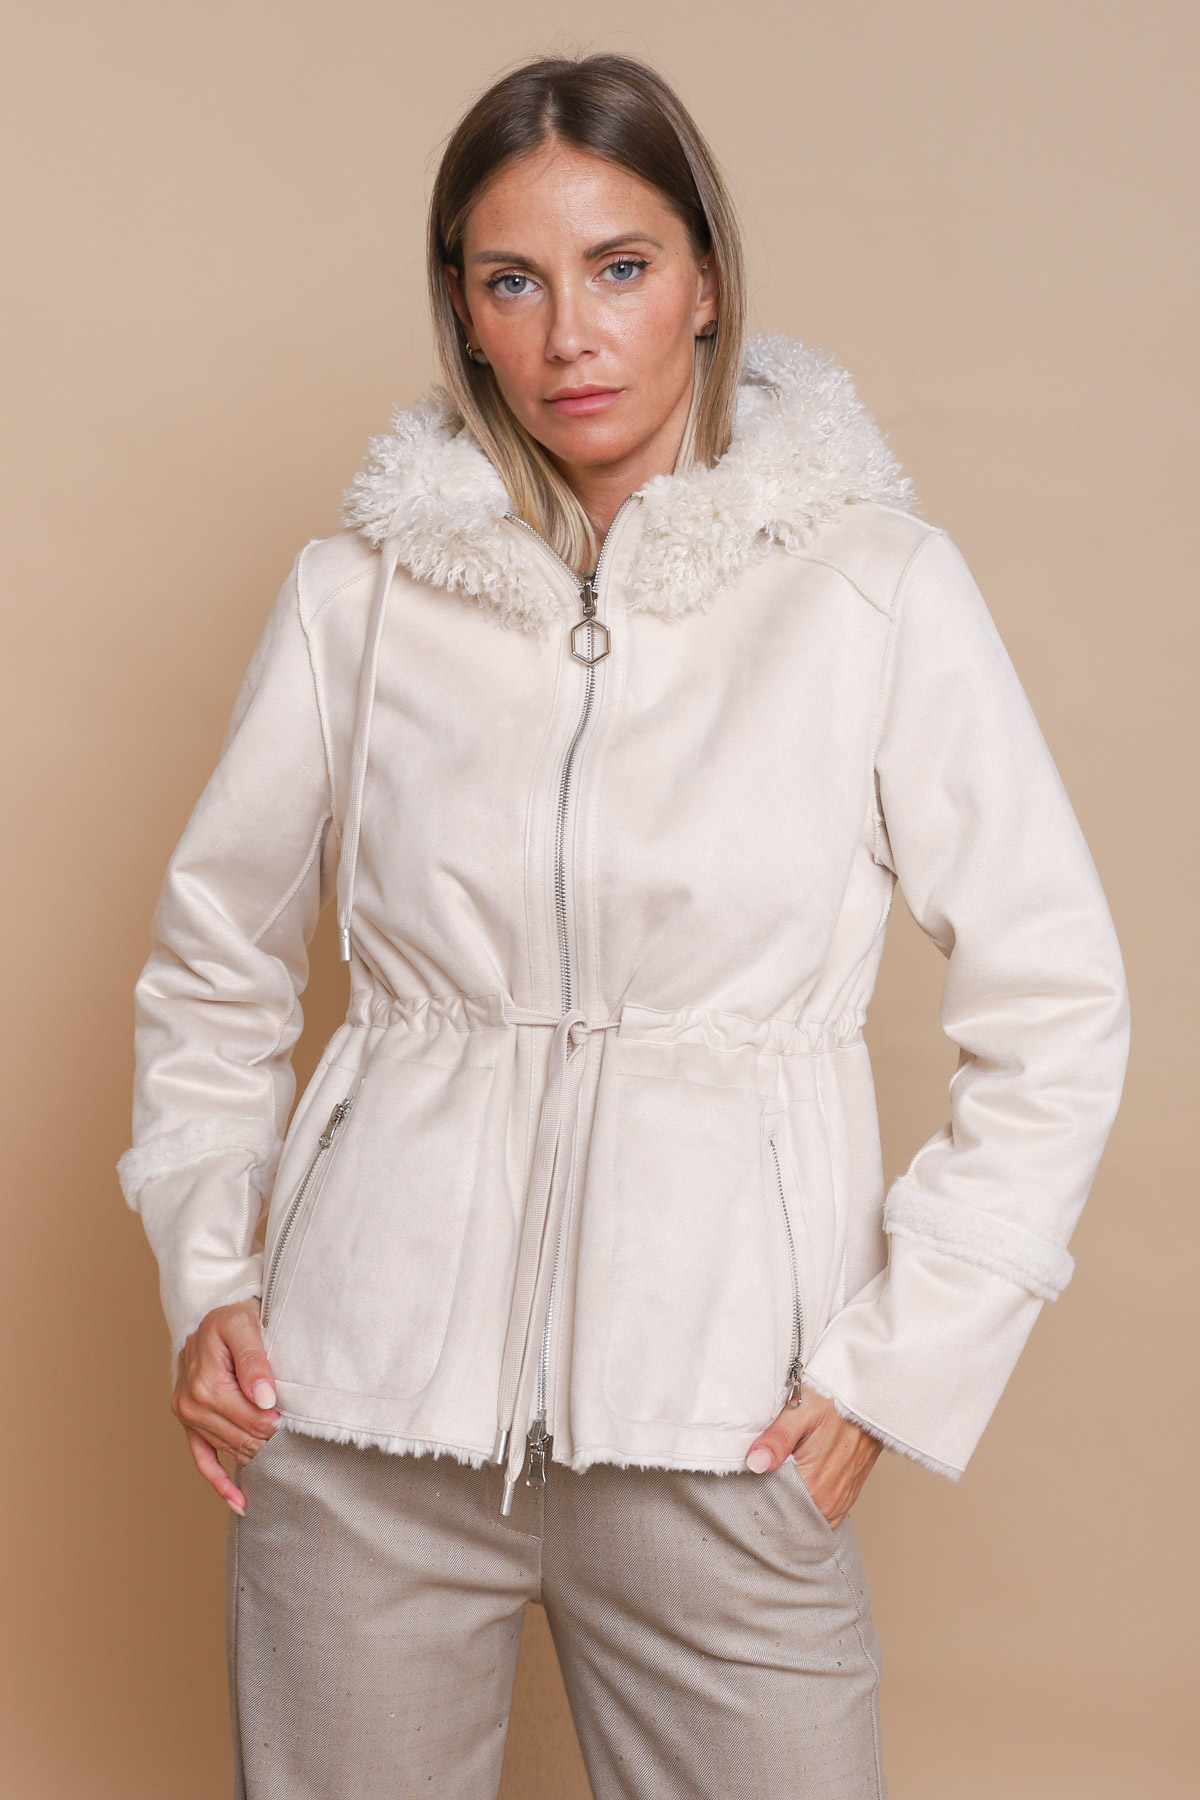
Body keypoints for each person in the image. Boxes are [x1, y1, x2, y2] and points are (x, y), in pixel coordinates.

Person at [117, 50, 1129, 1800]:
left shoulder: (873, 590)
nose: (570, 335)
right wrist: (210, 1270)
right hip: (362, 1419)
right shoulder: (357, 601)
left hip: (725, 1425)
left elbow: (1058, 1003)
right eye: (513, 280)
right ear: (463, 308)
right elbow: (215, 962)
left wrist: (896, 1368)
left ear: (706, 282)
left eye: (622, 267)